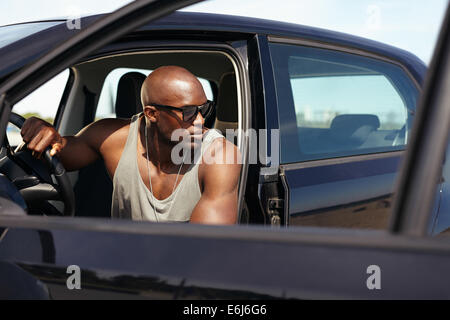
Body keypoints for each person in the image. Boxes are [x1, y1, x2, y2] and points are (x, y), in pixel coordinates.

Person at [20, 66, 241, 224]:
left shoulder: (220, 156)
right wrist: (44, 135)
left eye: (204, 109)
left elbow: (205, 251)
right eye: (189, 112)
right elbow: (61, 154)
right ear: (152, 114)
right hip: (121, 269)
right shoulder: (112, 138)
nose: (200, 121)